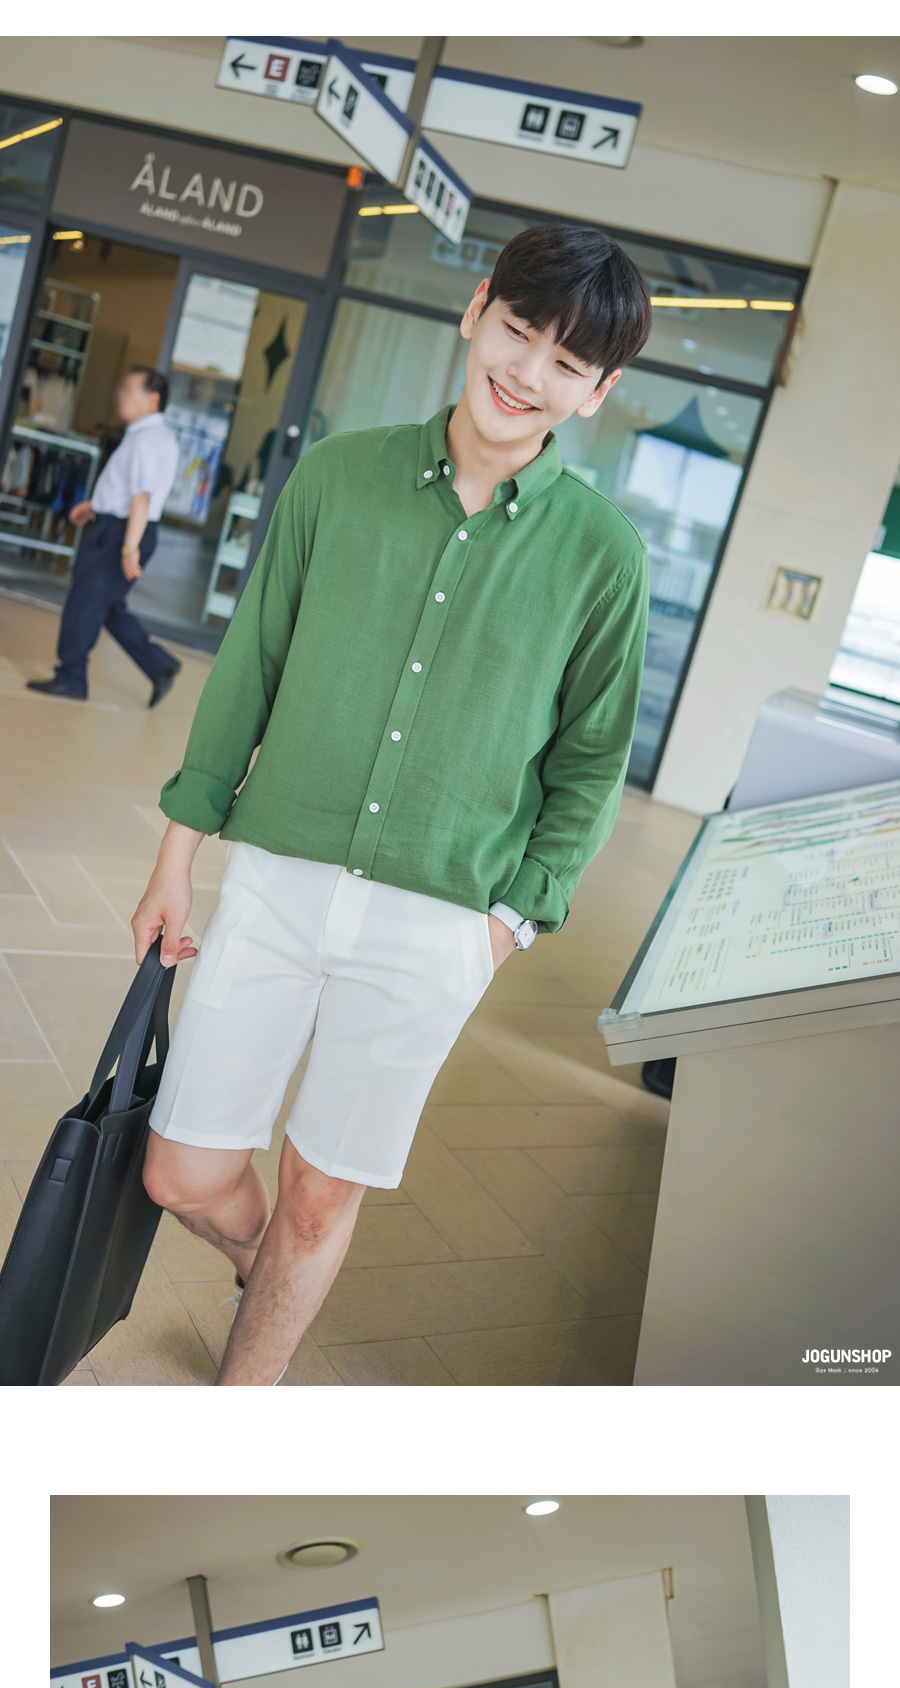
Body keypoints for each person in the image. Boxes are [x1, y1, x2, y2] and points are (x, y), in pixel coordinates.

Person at [131, 217, 652, 1384]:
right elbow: (251, 669)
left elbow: (590, 764)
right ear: (477, 311)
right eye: (518, 331)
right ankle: (270, 1273)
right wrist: (177, 857)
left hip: (438, 923)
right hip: (276, 882)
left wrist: (508, 924)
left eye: (568, 361)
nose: (527, 373)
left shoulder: (602, 556)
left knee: (322, 1198)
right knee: (181, 1172)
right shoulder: (338, 476)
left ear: (599, 391)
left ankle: (244, 1397)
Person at [27, 368, 181, 709]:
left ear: (153, 398)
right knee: (107, 605)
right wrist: (95, 505)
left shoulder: (146, 439)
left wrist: (129, 546)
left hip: (121, 532)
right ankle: (159, 665)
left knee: (85, 601)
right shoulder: (155, 436)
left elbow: (141, 497)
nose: (121, 395)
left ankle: (71, 678)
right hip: (125, 525)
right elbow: (130, 490)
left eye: (129, 390)